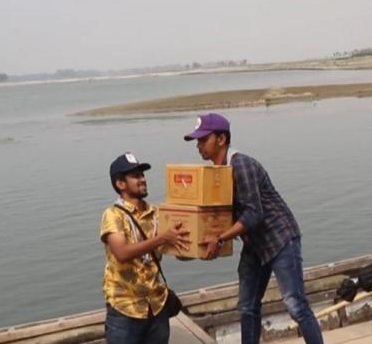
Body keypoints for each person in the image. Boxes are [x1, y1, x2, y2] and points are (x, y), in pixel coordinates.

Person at [184, 113, 324, 344]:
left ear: (221, 139)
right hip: (254, 244)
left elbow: (253, 214)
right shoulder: (216, 175)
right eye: (197, 141)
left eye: (203, 139)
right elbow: (218, 217)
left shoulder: (241, 164)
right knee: (247, 307)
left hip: (279, 238)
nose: (199, 145)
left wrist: (220, 238)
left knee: (296, 305)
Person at [100, 152, 191, 344]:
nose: (142, 179)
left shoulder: (157, 214)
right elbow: (122, 253)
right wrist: (162, 238)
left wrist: (201, 249)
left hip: (157, 305)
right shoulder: (113, 215)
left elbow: (177, 250)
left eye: (142, 174)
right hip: (125, 308)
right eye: (135, 176)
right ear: (120, 184)